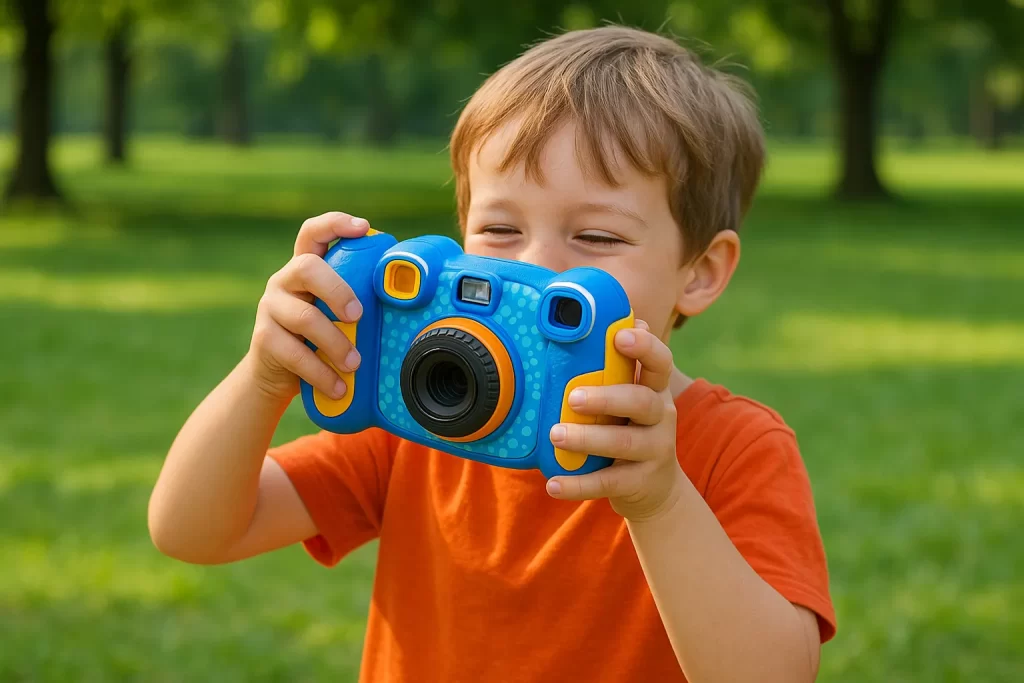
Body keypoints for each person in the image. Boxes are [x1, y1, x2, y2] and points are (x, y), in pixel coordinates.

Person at [149, 25, 836, 683]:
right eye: (500, 228)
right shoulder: (415, 421)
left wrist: (660, 502)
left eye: (596, 238)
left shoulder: (734, 448)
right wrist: (265, 375)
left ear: (701, 271)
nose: (536, 267)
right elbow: (193, 528)